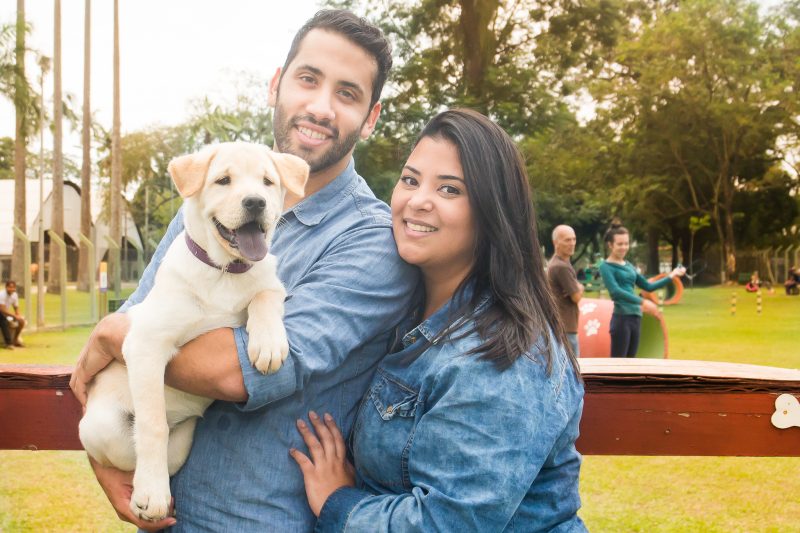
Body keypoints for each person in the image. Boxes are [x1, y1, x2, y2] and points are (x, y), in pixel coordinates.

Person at [69, 10, 417, 531]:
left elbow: (236, 371)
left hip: (257, 519)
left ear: (370, 118)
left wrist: (114, 332)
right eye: (308, 79)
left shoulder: (372, 242)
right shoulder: (207, 201)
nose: (320, 106)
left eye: (347, 94)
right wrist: (110, 458)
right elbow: (134, 336)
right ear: (276, 85)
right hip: (166, 511)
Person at [288, 109, 587, 531]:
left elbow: (446, 523)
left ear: (492, 211)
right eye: (410, 180)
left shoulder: (503, 358)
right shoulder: (403, 315)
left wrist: (338, 503)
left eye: (449, 189)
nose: (418, 200)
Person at [599, 224, 685, 358]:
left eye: (626, 243)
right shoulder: (606, 266)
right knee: (618, 365)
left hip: (636, 317)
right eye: (619, 244)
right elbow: (616, 292)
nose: (624, 247)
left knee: (631, 363)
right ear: (610, 245)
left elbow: (648, 286)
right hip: (621, 319)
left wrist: (672, 275)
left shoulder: (629, 265)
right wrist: (643, 302)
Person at [547, 225, 584, 355]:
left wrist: (577, 287)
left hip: (560, 325)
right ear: (555, 243)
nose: (572, 243)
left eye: (574, 239)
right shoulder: (561, 267)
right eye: (567, 240)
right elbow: (576, 297)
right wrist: (580, 287)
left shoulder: (555, 263)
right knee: (574, 364)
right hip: (566, 326)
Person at [0, 280, 25, 348]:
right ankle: (8, 343)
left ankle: (15, 340)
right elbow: (2, 309)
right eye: (10, 287)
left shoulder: (15, 295)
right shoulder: (2, 294)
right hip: (1, 313)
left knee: (21, 321)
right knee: (3, 320)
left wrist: (18, 316)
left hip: (5, 314)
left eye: (13, 287)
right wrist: (14, 316)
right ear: (6, 287)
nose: (12, 289)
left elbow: (16, 307)